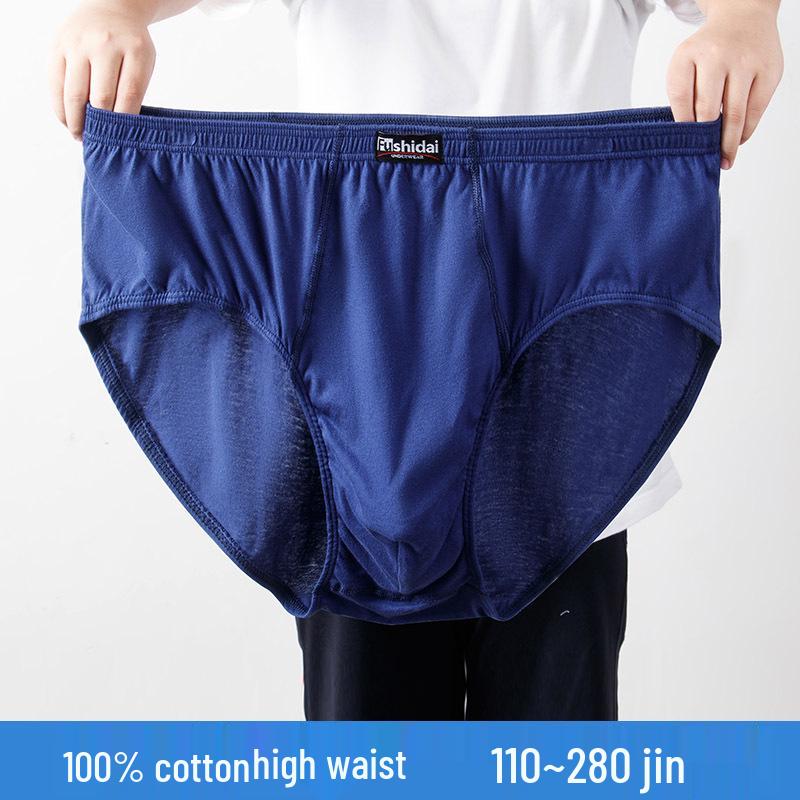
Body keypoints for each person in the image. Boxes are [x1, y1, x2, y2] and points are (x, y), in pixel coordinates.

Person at [50, 0, 783, 721]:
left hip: (562, 433)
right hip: (352, 401)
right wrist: (118, 9)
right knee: (374, 767)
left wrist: (745, 21)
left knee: (550, 770)